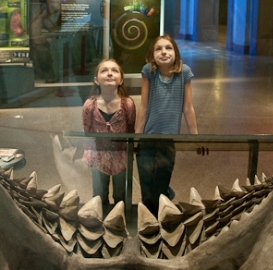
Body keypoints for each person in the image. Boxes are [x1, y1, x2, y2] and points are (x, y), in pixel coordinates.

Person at [135, 35, 198, 215]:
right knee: (146, 188)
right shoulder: (149, 71)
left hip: (168, 139)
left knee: (161, 183)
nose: (164, 52)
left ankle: (159, 215)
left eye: (168, 48)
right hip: (148, 138)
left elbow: (188, 108)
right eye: (158, 48)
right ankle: (148, 220)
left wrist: (197, 138)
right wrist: (136, 138)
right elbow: (144, 106)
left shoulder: (184, 72)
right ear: (152, 55)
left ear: (175, 53)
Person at [82, 59, 136, 206]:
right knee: (99, 196)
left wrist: (130, 154)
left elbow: (131, 129)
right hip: (98, 157)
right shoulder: (89, 105)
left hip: (121, 157)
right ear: (96, 80)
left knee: (121, 196)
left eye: (115, 70)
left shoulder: (128, 104)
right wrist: (88, 155)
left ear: (121, 79)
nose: (110, 74)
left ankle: (119, 223)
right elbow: (88, 131)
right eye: (104, 70)